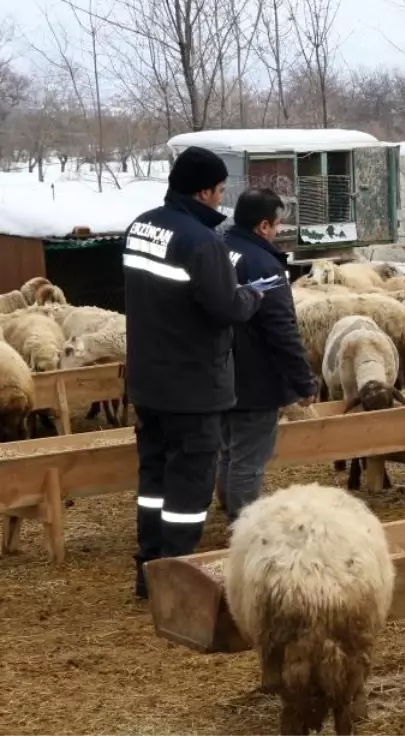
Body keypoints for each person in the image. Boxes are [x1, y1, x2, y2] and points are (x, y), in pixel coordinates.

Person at [124, 145, 262, 599]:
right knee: (189, 486)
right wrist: (252, 296)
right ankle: (177, 580)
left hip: (149, 379)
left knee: (155, 479)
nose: (222, 200)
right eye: (220, 190)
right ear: (204, 191)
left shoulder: (140, 227)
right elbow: (225, 307)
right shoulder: (203, 242)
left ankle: (149, 568)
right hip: (193, 385)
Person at [219, 188, 318, 523]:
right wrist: (303, 382)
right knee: (248, 460)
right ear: (262, 226)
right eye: (276, 225)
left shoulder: (220, 249)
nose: (277, 231)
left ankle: (228, 508)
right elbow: (281, 329)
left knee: (228, 452)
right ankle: (243, 526)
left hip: (221, 371)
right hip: (255, 379)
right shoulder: (263, 265)